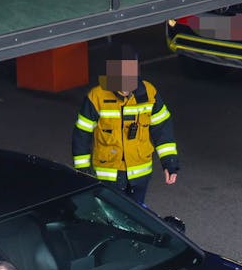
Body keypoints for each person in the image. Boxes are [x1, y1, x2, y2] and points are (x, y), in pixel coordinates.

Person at [71, 43, 179, 206]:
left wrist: (170, 162)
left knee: (136, 218)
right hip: (108, 177)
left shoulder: (149, 93)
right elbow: (81, 135)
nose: (125, 88)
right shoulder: (96, 97)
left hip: (139, 176)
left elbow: (162, 128)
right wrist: (82, 172)